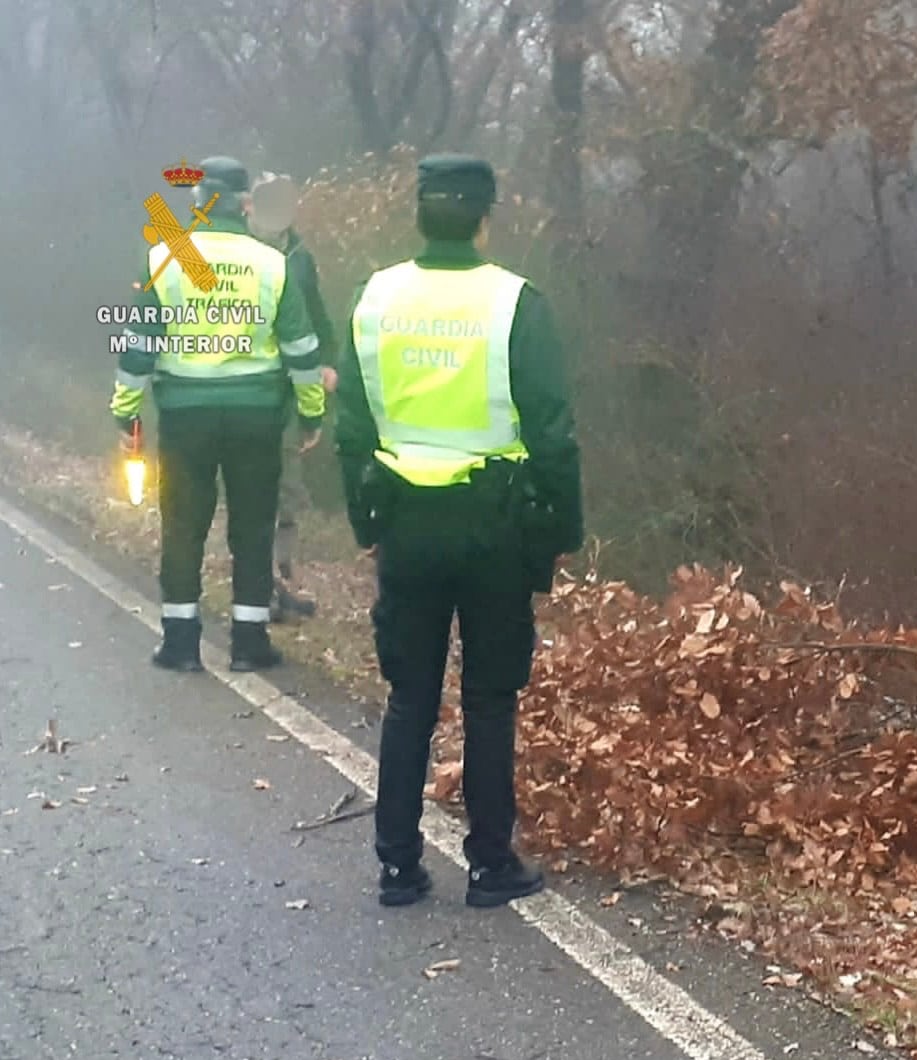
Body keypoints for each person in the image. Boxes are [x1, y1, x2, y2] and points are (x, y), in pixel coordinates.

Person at [332, 153, 583, 909]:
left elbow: (350, 427)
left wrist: (364, 519)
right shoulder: (516, 303)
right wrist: (561, 530)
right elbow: (553, 433)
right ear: (484, 217)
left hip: (406, 521)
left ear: (419, 213)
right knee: (489, 698)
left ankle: (398, 867)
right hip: (494, 526)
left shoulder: (374, 298)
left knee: (410, 694)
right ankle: (489, 862)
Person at [112, 155, 327, 673]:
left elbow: (138, 346)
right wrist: (311, 414)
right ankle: (249, 644)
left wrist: (127, 416)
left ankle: (181, 644)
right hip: (257, 417)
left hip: (186, 416)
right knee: (253, 528)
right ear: (246, 204)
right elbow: (301, 348)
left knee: (183, 527)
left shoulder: (165, 257)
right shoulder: (272, 263)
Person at [248, 171, 337, 623]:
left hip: (289, 393)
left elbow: (317, 316)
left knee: (288, 489)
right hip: (243, 390)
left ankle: (280, 579)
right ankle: (258, 587)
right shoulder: (237, 254)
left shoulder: (301, 258)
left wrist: (329, 362)